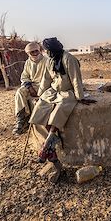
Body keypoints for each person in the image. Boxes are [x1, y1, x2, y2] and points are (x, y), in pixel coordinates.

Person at [29, 37, 94, 182]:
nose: (45, 52)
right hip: (54, 91)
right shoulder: (50, 60)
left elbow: (76, 79)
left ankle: (48, 143)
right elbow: (46, 78)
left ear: (52, 49)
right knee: (40, 107)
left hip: (67, 92)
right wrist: (39, 94)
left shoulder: (68, 59)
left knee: (61, 108)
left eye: (47, 50)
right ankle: (51, 141)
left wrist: (80, 97)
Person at [13, 42, 48, 135]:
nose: (35, 53)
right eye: (32, 52)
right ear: (28, 54)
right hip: (32, 85)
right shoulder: (28, 62)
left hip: (45, 86)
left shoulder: (47, 61)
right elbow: (24, 77)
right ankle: (21, 120)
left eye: (36, 51)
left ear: (40, 50)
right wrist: (29, 87)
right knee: (20, 92)